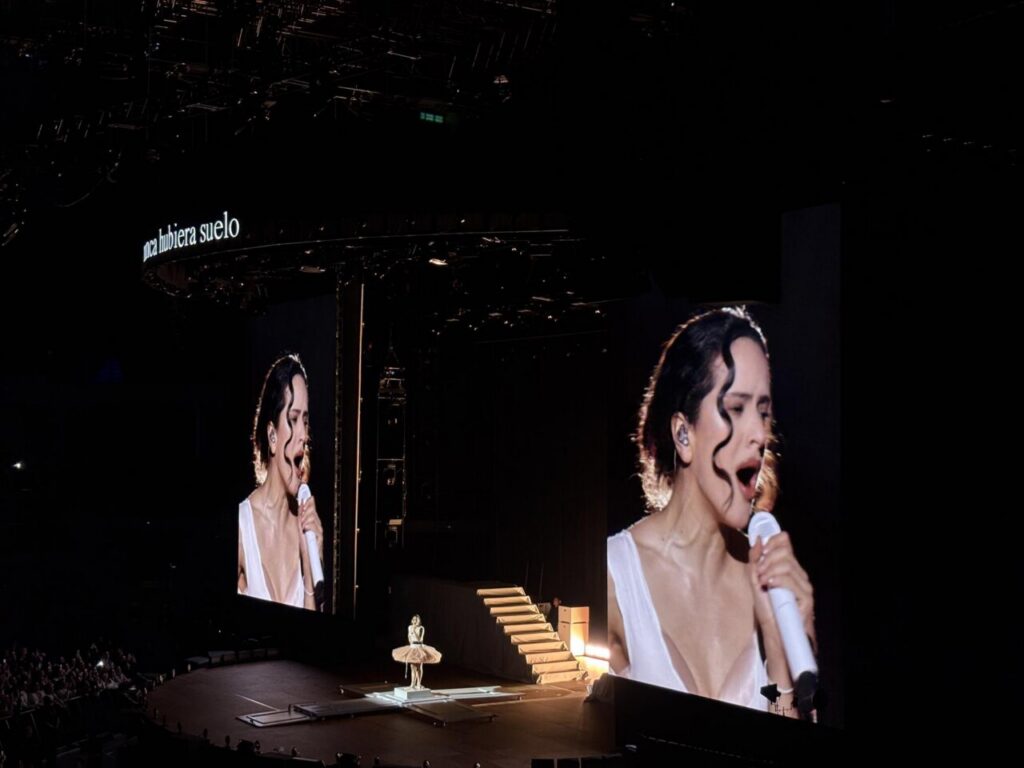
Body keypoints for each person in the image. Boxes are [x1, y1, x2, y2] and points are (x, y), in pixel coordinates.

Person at [607, 307, 815, 717]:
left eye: (763, 412)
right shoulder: (615, 578)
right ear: (683, 433)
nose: (759, 433)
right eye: (736, 408)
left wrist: (780, 653)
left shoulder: (773, 585)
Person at [238, 353, 324, 610]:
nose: (303, 435)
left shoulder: (307, 530)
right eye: (294, 419)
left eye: (305, 422)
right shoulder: (242, 527)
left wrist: (310, 570)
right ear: (273, 435)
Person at [391, 615, 442, 690]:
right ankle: (412, 684)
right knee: (412, 667)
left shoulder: (421, 628)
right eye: (414, 620)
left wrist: (414, 631)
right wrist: (411, 641)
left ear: (419, 621)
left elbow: (420, 640)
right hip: (413, 647)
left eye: (417, 620)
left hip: (419, 648)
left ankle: (418, 683)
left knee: (419, 667)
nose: (415, 621)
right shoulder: (409, 627)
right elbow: (409, 636)